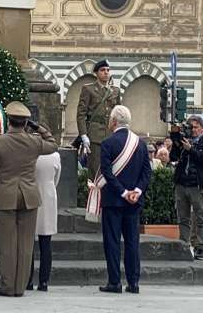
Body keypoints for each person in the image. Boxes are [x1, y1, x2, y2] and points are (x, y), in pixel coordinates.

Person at [0, 101, 58, 297]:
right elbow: (53, 145)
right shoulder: (34, 141)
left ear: (8, 120)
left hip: (6, 196)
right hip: (29, 196)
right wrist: (38, 127)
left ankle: (7, 285)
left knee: (7, 244)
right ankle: (20, 287)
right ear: (25, 123)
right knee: (26, 244)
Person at [98, 105, 151, 294]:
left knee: (112, 242)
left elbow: (107, 173)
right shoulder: (141, 144)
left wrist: (122, 193)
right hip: (134, 201)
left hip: (114, 200)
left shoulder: (107, 143)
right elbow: (147, 173)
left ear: (113, 122)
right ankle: (133, 282)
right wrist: (135, 191)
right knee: (132, 242)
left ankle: (114, 282)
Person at [169, 115, 203, 260]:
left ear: (202, 128)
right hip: (182, 183)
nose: (193, 130)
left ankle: (202, 247)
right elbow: (173, 158)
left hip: (197, 185)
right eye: (191, 127)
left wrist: (191, 149)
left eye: (196, 127)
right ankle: (184, 244)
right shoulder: (184, 140)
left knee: (201, 217)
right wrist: (177, 145)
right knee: (183, 217)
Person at [72, 59, 121, 178]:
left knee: (112, 170)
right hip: (94, 136)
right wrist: (83, 134)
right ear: (96, 73)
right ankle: (94, 196)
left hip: (111, 135)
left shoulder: (115, 90)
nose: (106, 72)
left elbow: (118, 113)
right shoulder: (88, 89)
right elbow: (81, 114)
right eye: (102, 70)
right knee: (95, 171)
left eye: (108, 70)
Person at [26, 144, 61, 292]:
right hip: (48, 194)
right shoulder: (55, 155)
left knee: (28, 244)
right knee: (46, 243)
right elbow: (57, 177)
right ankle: (44, 281)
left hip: (31, 192)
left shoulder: (30, 153)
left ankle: (27, 280)